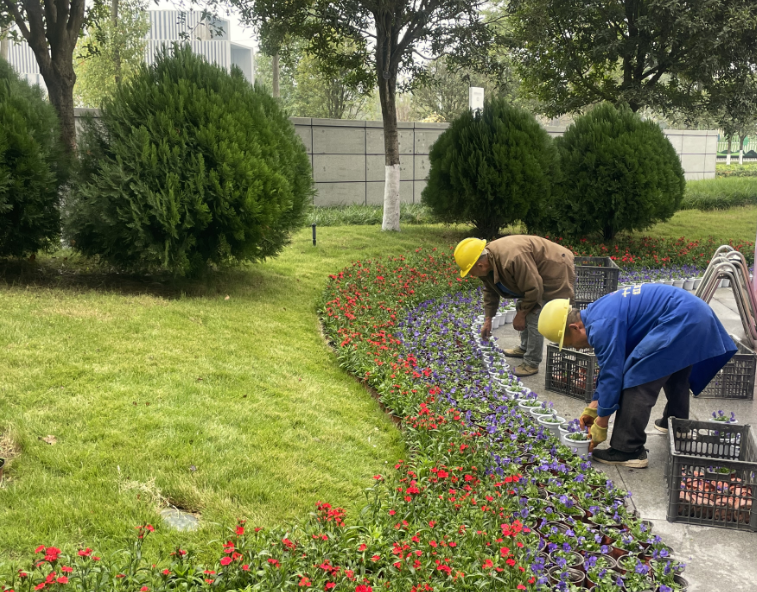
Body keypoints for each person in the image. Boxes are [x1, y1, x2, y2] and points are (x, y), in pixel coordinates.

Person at [538, 284, 737, 467]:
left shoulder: (601, 326)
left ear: (575, 328)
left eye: (571, 342)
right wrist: (594, 406)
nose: (576, 347)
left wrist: (602, 422)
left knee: (638, 378)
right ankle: (677, 423)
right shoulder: (596, 314)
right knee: (673, 368)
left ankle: (628, 449)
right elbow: (610, 366)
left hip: (682, 319)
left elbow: (613, 374)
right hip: (692, 314)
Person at [454, 236, 575, 376]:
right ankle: (524, 348)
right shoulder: (487, 261)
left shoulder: (512, 258)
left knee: (535, 314)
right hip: (534, 274)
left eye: (470, 272)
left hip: (556, 266)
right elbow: (490, 290)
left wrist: (521, 315)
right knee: (522, 305)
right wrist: (488, 319)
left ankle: (531, 363)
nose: (471, 275)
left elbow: (534, 289)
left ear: (480, 265)